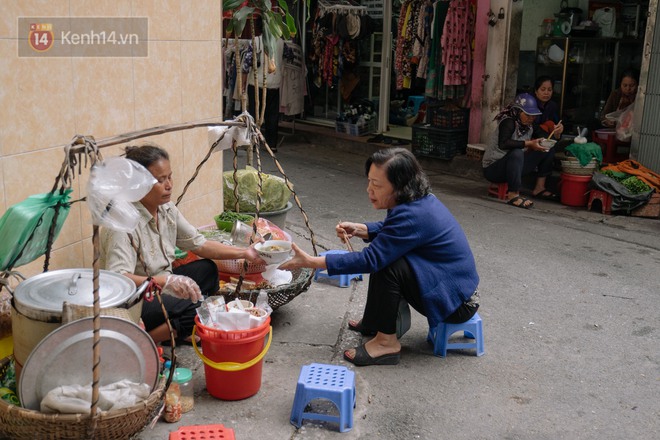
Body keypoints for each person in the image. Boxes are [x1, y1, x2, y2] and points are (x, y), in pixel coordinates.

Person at [279, 148, 480, 366]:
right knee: (385, 255)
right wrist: (361, 229)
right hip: (454, 290)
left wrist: (311, 262)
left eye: (377, 185)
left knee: (387, 264)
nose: (369, 190)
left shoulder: (413, 214)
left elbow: (371, 259)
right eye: (369, 182)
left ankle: (386, 343)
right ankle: (375, 323)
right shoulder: (417, 202)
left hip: (457, 304)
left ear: (401, 187)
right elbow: (392, 229)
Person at [100, 143, 264, 344]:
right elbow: (118, 278)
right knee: (198, 309)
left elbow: (200, 245)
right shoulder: (122, 222)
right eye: (160, 180)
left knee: (208, 270)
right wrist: (165, 282)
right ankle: (142, 342)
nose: (169, 185)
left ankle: (175, 329)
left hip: (163, 283)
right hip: (137, 299)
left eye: (169, 177)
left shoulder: (166, 209)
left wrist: (245, 252)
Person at [482, 93, 557, 209]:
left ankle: (539, 187)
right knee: (517, 152)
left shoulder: (529, 125)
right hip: (494, 168)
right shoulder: (508, 122)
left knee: (547, 149)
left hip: (514, 167)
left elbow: (546, 137)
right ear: (518, 111)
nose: (531, 118)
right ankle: (513, 195)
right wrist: (529, 144)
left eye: (533, 116)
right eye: (527, 115)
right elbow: (504, 144)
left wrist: (556, 132)